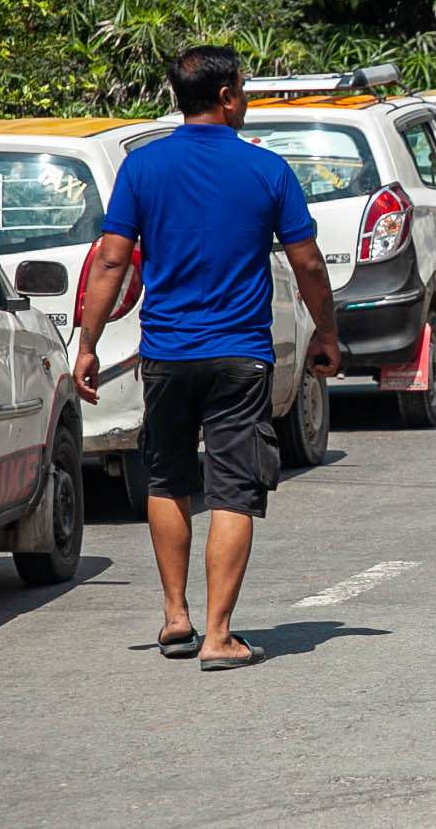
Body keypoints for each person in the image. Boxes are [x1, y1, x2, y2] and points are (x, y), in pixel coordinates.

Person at [73, 45, 343, 672]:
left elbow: (113, 260)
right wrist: (325, 333)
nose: (245, 101)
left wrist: (87, 344)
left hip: (166, 352)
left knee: (167, 478)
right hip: (239, 356)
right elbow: (307, 263)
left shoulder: (143, 170)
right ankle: (219, 636)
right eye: (244, 91)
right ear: (225, 97)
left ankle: (175, 618)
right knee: (232, 490)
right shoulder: (267, 170)